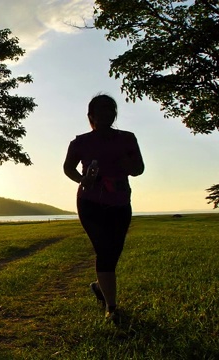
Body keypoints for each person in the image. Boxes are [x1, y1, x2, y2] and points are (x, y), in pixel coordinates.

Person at [63, 94, 144, 323]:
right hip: (90, 202)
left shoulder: (127, 138)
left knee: (113, 251)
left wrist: (126, 164)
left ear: (114, 114)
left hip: (119, 201)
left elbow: (139, 168)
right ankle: (112, 307)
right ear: (91, 116)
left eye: (110, 110)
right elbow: (68, 168)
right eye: (100, 111)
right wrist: (82, 179)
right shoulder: (79, 142)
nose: (105, 114)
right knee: (105, 251)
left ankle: (100, 287)